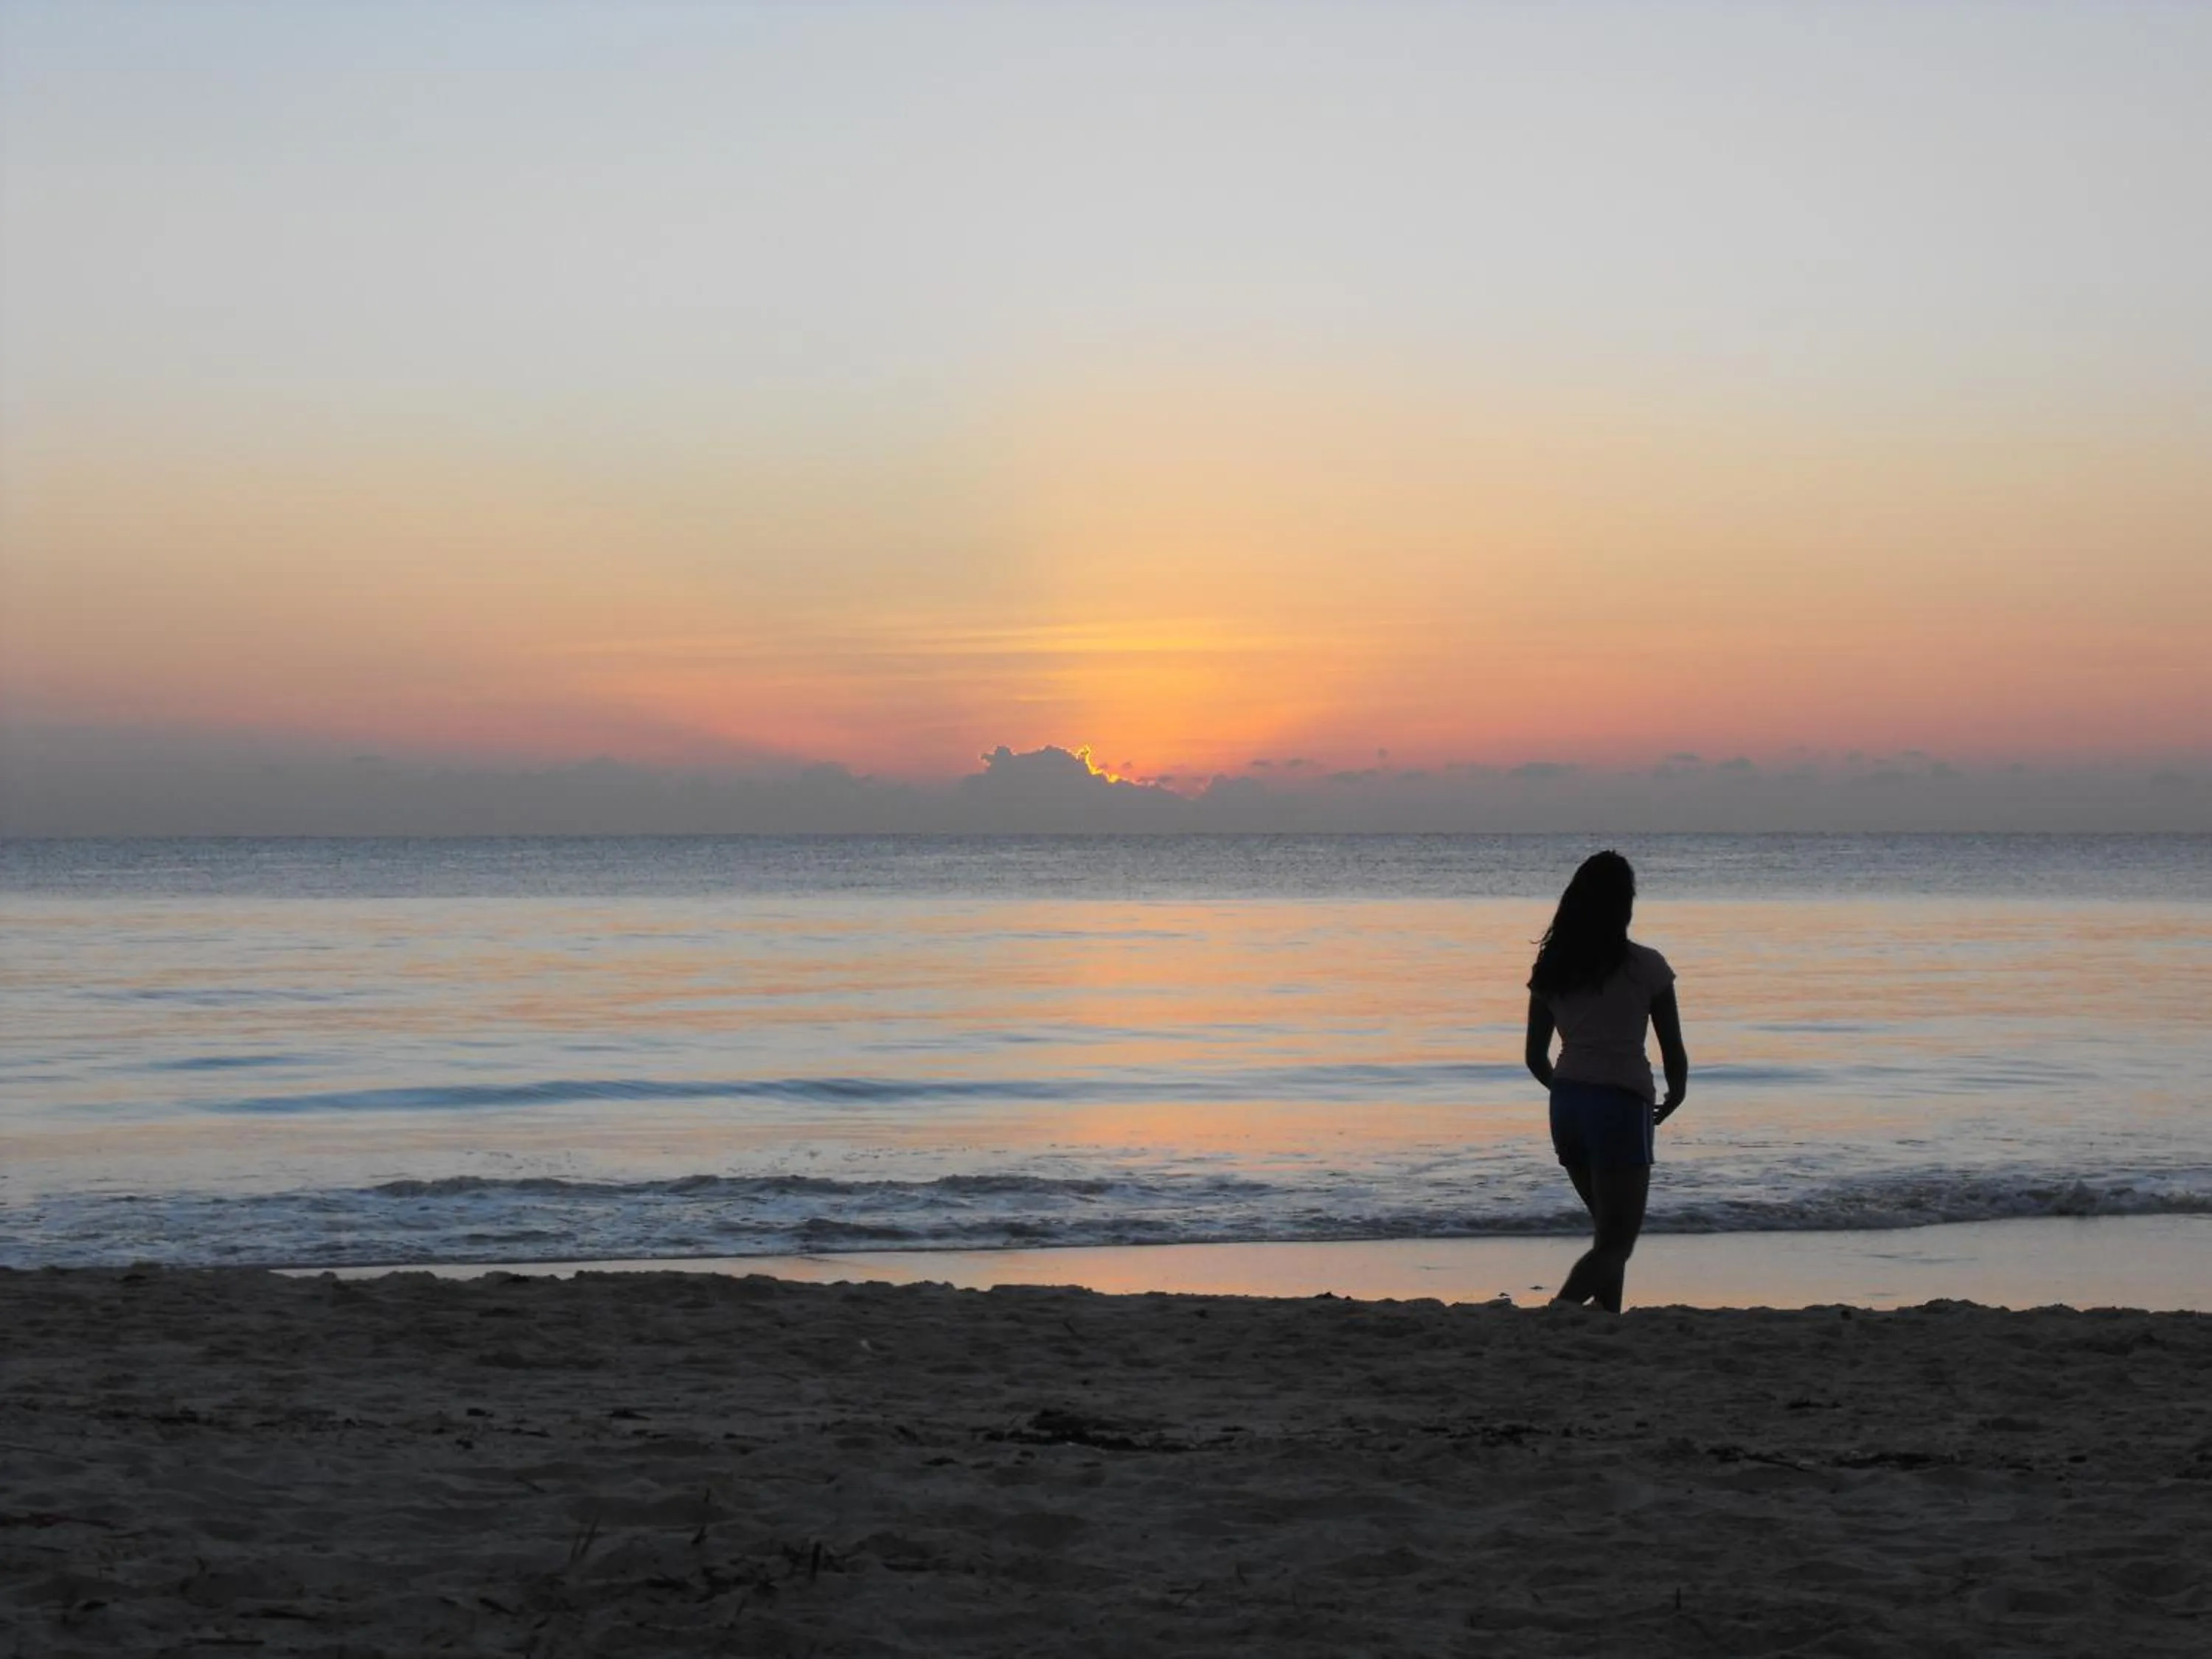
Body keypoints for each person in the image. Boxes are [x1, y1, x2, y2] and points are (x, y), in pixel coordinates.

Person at [1523, 850, 1687, 1312]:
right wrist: (1678, 1090)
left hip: (1569, 1104)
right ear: (1625, 906)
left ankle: (1606, 1319)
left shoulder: (1552, 970)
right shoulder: (1647, 967)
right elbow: (1672, 1049)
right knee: (1617, 1241)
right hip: (1621, 1102)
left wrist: (1568, 1091)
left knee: (1605, 1230)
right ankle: (1562, 1311)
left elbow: (1535, 1057)